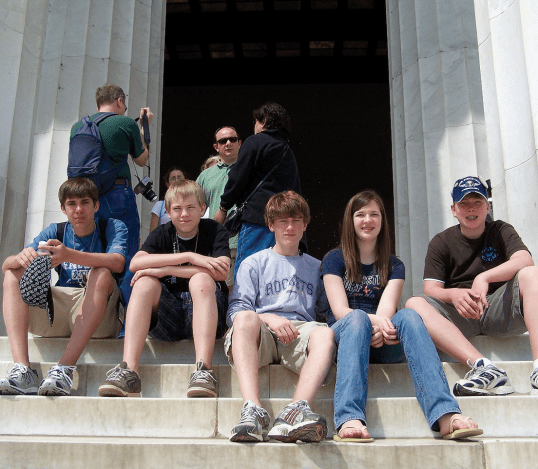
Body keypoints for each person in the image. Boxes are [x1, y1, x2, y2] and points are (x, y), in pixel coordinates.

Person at [321, 190, 483, 442]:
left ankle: (445, 414)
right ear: (350, 221)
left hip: (381, 337)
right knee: (357, 319)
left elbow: (387, 310)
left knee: (408, 314)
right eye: (360, 214)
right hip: (345, 339)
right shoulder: (334, 259)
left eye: (374, 214)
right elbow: (339, 310)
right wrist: (369, 323)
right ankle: (349, 418)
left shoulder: (395, 265)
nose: (367, 220)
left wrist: (380, 328)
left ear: (383, 221)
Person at [406, 176, 538, 396]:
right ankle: (484, 367)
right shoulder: (441, 242)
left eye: (477, 202)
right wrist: (454, 295)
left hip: (499, 309)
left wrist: (483, 278)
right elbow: (431, 290)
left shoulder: (500, 229)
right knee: (413, 303)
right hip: (461, 314)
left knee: (531, 274)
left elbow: (525, 260)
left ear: (488, 207)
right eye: (464, 204)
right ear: (454, 209)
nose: (471, 209)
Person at [98, 179, 231, 398]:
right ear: (168, 212)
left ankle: (203, 371)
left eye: (190, 207)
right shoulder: (162, 233)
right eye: (177, 209)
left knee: (201, 280)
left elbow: (221, 272)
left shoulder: (215, 230)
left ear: (203, 208)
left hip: (207, 313)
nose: (184, 214)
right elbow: (135, 264)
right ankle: (129, 371)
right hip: (169, 317)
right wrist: (189, 257)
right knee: (144, 282)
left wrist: (165, 269)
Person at [0, 178, 128, 396]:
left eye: (85, 202)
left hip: (100, 317)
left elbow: (118, 262)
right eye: (72, 204)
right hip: (59, 311)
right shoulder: (56, 231)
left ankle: (64, 368)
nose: (78, 210)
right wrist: (22, 257)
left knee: (102, 272)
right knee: (13, 275)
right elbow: (6, 266)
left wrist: (69, 255)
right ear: (63, 208)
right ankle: (23, 369)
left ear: (95, 206)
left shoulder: (113, 227)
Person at [225, 191, 334, 443]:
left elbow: (326, 312)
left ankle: (296, 410)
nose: (289, 227)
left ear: (305, 225)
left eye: (296, 220)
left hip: (299, 333)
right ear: (271, 225)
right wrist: (269, 318)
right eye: (282, 221)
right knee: (244, 318)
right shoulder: (253, 263)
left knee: (325, 332)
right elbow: (235, 310)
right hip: (262, 333)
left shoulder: (317, 266)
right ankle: (252, 409)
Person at [70, 83, 153, 305]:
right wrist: (145, 129)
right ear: (119, 101)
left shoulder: (78, 126)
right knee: (126, 252)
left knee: (95, 251)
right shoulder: (125, 123)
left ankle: (93, 312)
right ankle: (127, 317)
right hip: (117, 194)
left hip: (87, 198)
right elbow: (141, 159)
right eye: (124, 104)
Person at [214, 103, 301, 277]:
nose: (254, 125)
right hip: (284, 224)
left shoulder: (255, 141)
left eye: (256, 121)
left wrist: (224, 207)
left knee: (249, 270)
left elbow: (237, 177)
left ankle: (243, 305)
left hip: (257, 220)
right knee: (276, 274)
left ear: (264, 121)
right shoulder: (287, 150)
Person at [197, 127, 242, 288]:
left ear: (239, 143)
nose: (228, 143)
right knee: (223, 292)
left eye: (232, 139)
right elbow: (195, 209)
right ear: (216, 146)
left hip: (247, 240)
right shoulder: (205, 176)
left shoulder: (251, 169)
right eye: (223, 141)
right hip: (219, 243)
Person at [149, 166, 185, 233]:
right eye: (173, 178)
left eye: (179, 177)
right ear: (168, 184)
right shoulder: (159, 205)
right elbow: (152, 235)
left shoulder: (192, 204)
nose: (177, 180)